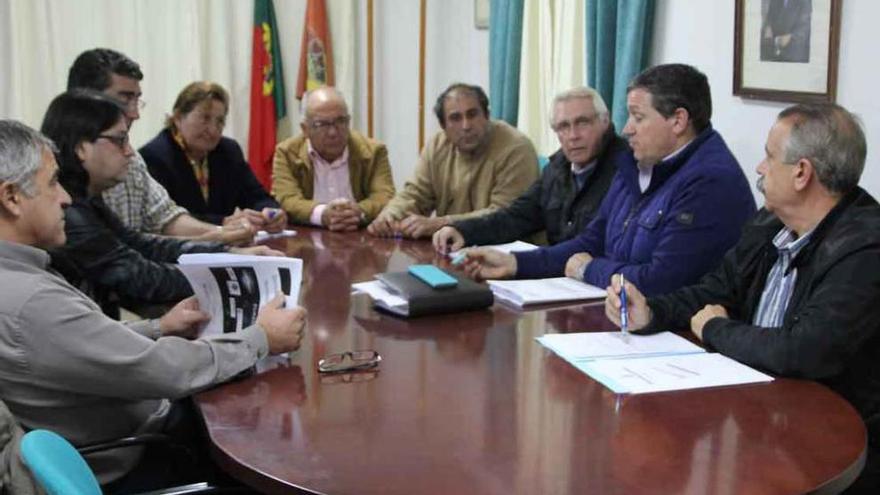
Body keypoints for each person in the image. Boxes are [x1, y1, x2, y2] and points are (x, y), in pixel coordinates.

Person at [0, 119, 307, 487]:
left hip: (119, 430)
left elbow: (79, 341)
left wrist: (160, 326)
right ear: (12, 197)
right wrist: (261, 338)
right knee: (279, 440)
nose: (65, 196)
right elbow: (165, 372)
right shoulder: (30, 302)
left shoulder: (17, 282)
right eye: (52, 182)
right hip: (140, 454)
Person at [604, 103, 880, 494]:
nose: (759, 168)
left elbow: (805, 350)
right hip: (760, 419)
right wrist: (651, 311)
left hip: (835, 449)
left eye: (769, 156)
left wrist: (716, 329)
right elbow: (714, 290)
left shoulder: (865, 247)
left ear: (802, 173)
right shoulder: (769, 223)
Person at [462, 64, 756, 296]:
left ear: (678, 121)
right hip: (621, 316)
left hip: (681, 341)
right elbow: (593, 239)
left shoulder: (709, 182)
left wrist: (588, 270)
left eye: (638, 117)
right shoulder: (636, 165)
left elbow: (659, 281)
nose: (627, 129)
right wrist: (516, 263)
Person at [41, 90, 278, 318]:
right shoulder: (67, 211)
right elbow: (141, 277)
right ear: (82, 148)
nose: (130, 152)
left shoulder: (86, 199)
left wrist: (231, 255)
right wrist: (231, 272)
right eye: (120, 140)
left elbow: (146, 245)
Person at [67, 48, 256, 245]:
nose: (134, 114)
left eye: (136, 100)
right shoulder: (51, 168)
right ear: (85, 101)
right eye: (124, 100)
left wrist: (222, 234)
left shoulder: (132, 161)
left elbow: (165, 218)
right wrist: (216, 238)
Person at [432, 87, 628, 252]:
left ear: (605, 121)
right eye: (563, 127)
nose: (573, 135)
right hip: (558, 280)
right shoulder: (557, 168)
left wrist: (521, 263)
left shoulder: (627, 168)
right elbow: (516, 217)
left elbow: (594, 245)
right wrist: (463, 231)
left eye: (582, 123)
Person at [368, 83, 539, 239]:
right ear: (444, 126)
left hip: (511, 254)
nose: (466, 126)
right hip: (454, 248)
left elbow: (505, 216)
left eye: (472, 115)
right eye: (456, 118)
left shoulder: (516, 148)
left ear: (486, 115)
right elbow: (415, 194)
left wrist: (442, 223)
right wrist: (389, 217)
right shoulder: (437, 146)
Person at [141, 81, 286, 230]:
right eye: (205, 118)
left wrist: (270, 212)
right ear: (178, 118)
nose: (213, 129)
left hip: (226, 246)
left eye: (220, 121)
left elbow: (257, 196)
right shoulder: (154, 156)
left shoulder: (229, 151)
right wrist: (222, 222)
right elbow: (166, 218)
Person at [272, 86, 395, 230]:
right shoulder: (287, 153)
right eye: (322, 124)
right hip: (306, 242)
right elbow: (286, 199)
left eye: (340, 121)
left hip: (361, 237)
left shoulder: (373, 152)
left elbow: (384, 196)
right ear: (305, 129)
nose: (333, 132)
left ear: (349, 121)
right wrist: (322, 214)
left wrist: (359, 212)